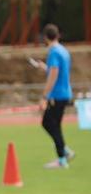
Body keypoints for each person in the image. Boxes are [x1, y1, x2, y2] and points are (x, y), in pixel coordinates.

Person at [31, 24, 75, 169]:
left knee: (48, 123)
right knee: (54, 125)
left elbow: (54, 75)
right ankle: (64, 151)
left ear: (45, 38)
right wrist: (44, 67)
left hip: (57, 95)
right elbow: (56, 71)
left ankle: (62, 158)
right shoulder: (63, 51)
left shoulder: (54, 52)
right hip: (65, 93)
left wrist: (45, 96)